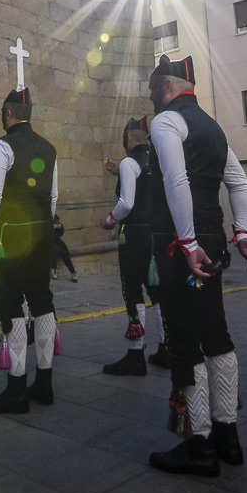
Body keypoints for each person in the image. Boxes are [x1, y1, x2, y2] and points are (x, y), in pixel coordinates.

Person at [144, 55, 247, 478]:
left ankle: (197, 446)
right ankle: (227, 436)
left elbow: (176, 181)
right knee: (216, 330)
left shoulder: (165, 122)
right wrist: (245, 233)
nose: (149, 94)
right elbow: (237, 181)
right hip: (211, 239)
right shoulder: (212, 127)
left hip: (181, 245)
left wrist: (187, 241)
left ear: (167, 84)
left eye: (152, 86)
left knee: (184, 336)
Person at [0, 87, 60, 413]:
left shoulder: (3, 145)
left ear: (8, 114)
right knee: (41, 300)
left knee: (11, 304)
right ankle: (45, 383)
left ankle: (16, 388)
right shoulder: (49, 148)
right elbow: (53, 196)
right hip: (42, 232)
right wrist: (46, 224)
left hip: (12, 234)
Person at [100, 116, 169, 375]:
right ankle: (166, 349)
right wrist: (121, 171)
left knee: (132, 290)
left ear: (129, 138)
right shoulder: (156, 160)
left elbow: (127, 203)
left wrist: (110, 219)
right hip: (155, 234)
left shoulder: (130, 162)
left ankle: (136, 353)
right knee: (156, 291)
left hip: (134, 236)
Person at [52, 214, 78, 282]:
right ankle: (53, 269)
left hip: (57, 241)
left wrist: (59, 227)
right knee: (54, 250)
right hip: (48, 242)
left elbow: (61, 233)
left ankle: (73, 272)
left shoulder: (55, 216)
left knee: (64, 252)